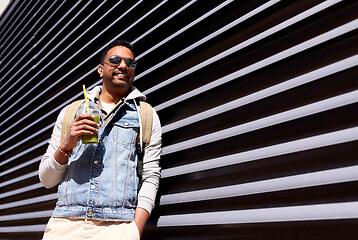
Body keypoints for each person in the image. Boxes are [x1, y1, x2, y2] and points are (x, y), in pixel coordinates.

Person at [39, 39, 162, 240]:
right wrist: (66, 145)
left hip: (118, 228)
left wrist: (133, 231)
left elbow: (150, 177)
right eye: (115, 60)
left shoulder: (146, 115)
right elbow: (46, 180)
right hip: (66, 225)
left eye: (130, 63)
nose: (123, 66)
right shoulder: (71, 112)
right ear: (100, 69)